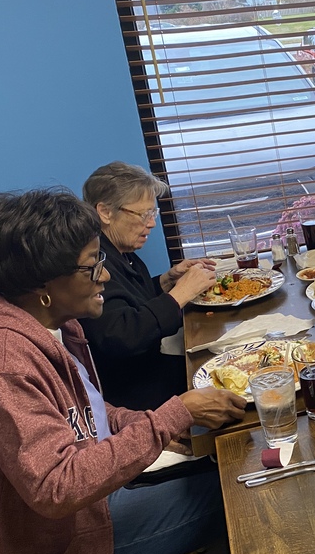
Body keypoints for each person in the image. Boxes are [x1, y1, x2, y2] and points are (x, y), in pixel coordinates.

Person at [0, 189, 247, 554]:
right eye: (91, 266)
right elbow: (56, 486)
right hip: (61, 547)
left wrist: (148, 424)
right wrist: (169, 417)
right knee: (243, 491)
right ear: (42, 285)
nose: (104, 275)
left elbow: (88, 413)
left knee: (231, 456)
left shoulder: (42, 323)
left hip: (92, 500)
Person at [81, 162, 218, 410]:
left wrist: (167, 281)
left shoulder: (123, 253)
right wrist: (180, 294)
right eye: (144, 214)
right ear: (105, 212)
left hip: (155, 371)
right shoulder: (92, 263)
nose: (152, 223)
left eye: (152, 213)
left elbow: (132, 300)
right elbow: (121, 334)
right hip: (137, 396)